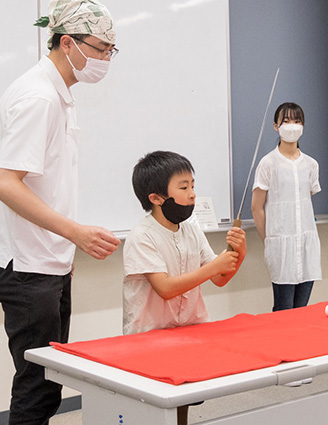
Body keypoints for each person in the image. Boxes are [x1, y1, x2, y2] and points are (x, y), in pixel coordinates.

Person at [0, 1, 120, 423]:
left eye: (111, 51)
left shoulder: (58, 93)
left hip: (48, 262)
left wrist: (65, 250)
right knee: (37, 388)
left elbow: (48, 185)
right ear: (67, 43)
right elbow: (5, 183)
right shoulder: (38, 97)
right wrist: (75, 233)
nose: (107, 59)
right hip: (30, 268)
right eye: (102, 48)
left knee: (46, 384)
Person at [123, 150, 246, 425]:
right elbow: (165, 288)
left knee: (184, 397)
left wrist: (238, 254)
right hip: (149, 336)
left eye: (193, 185)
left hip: (189, 330)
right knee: (155, 403)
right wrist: (215, 266)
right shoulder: (141, 236)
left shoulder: (191, 228)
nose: (192, 194)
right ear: (156, 198)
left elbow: (219, 278)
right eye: (183, 187)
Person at [251, 102, 322, 315]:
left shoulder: (311, 164)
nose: (292, 126)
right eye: (286, 121)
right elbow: (256, 208)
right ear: (276, 126)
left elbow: (304, 200)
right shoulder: (268, 163)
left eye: (297, 121)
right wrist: (270, 239)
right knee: (283, 311)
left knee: (302, 311)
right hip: (281, 246)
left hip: (306, 245)